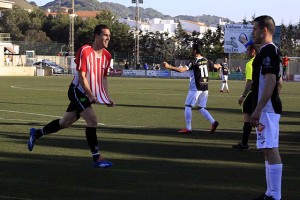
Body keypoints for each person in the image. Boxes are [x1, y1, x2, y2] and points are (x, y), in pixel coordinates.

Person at [27, 24, 115, 169]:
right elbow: (81, 76)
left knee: (65, 123)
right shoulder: (85, 51)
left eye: (109, 36)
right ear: (96, 36)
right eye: (105, 35)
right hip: (77, 91)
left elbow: (104, 78)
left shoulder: (107, 56)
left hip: (88, 94)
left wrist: (105, 97)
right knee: (92, 120)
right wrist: (90, 95)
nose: (108, 38)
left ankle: (36, 134)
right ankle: (97, 158)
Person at [250, 16, 283, 200]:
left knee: (271, 148)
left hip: (267, 109)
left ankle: (276, 196)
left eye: (255, 29)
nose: (253, 33)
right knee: (266, 149)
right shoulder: (268, 51)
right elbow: (278, 83)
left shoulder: (269, 51)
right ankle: (270, 193)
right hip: (266, 108)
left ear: (263, 30)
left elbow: (271, 80)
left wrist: (259, 108)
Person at [163, 43, 219, 134]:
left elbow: (181, 70)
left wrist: (169, 67)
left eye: (192, 49)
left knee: (188, 106)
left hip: (196, 87)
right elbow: (216, 66)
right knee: (201, 107)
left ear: (195, 51)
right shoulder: (206, 60)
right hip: (205, 87)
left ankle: (188, 128)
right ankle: (213, 122)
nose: (191, 50)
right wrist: (221, 65)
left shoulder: (194, 61)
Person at [232, 44, 259, 151]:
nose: (246, 52)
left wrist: (243, 96)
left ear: (253, 51)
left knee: (247, 116)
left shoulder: (250, 63)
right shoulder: (262, 61)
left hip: (253, 93)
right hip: (263, 93)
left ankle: (244, 144)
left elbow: (249, 82)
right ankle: (263, 144)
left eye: (247, 50)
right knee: (261, 119)